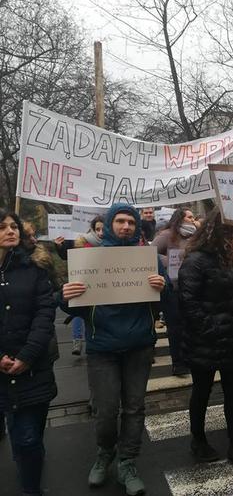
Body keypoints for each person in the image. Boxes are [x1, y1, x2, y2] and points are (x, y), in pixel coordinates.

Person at [60, 203, 168, 496]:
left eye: (130, 223)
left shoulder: (149, 260)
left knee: (134, 408)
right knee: (106, 410)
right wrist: (65, 295)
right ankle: (105, 452)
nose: (125, 227)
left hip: (139, 347)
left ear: (136, 227)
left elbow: (165, 302)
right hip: (102, 348)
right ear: (109, 225)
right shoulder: (89, 260)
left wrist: (163, 286)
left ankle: (127, 462)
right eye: (120, 221)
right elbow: (74, 305)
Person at [177, 208, 233, 473]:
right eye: (232, 233)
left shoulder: (232, 259)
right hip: (206, 340)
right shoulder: (196, 261)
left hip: (232, 339)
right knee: (201, 391)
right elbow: (189, 303)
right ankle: (198, 440)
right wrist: (214, 328)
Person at [0, 209, 58, 496]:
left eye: (13, 227)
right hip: (3, 372)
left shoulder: (33, 269)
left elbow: (45, 312)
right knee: (23, 437)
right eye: (2, 227)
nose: (10, 231)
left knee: (32, 432)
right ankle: (31, 488)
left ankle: (29, 462)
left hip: (33, 367)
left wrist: (27, 355)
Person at [152, 207, 197, 376]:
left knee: (190, 325)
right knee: (176, 327)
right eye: (189, 217)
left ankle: (190, 358)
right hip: (173, 288)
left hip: (192, 287)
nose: (192, 220)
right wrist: (172, 259)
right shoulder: (166, 235)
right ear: (180, 219)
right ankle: (178, 363)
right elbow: (150, 254)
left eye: (193, 217)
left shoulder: (196, 236)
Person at [69, 215, 105, 356]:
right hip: (85, 284)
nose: (101, 232)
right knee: (80, 311)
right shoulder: (83, 243)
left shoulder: (114, 244)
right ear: (93, 229)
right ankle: (77, 340)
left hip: (104, 286)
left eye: (103, 229)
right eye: (98, 229)